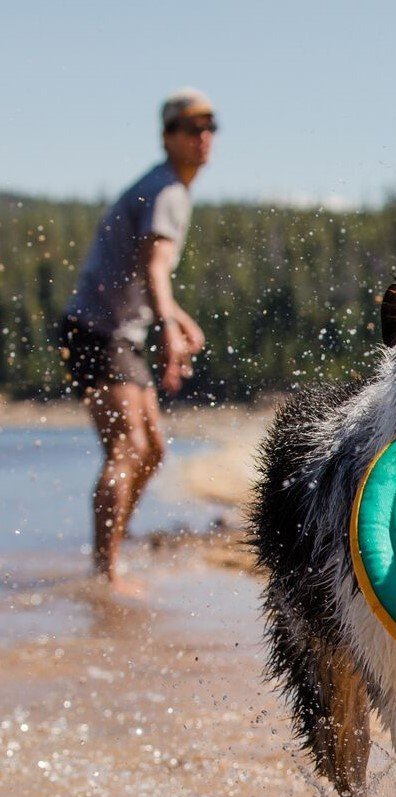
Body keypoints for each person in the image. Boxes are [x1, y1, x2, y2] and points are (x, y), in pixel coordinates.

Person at [60, 88, 217, 595]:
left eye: (211, 126)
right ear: (168, 136)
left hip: (115, 332)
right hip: (99, 332)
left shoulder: (168, 188)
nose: (204, 137)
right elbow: (153, 267)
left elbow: (148, 274)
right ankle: (105, 572)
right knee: (128, 448)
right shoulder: (167, 190)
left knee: (151, 452)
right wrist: (169, 328)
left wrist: (175, 317)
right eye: (192, 128)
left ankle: (112, 552)